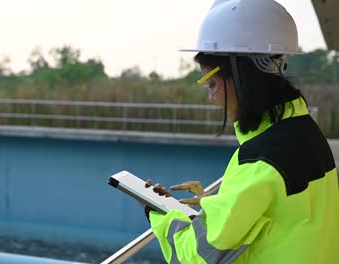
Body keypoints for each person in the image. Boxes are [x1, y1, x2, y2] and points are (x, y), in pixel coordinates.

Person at [142, 0, 339, 263]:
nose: (211, 98)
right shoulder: (304, 131)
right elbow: (278, 214)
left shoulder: (259, 162)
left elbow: (197, 255)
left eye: (211, 84)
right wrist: (217, 204)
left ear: (241, 77)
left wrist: (160, 213)